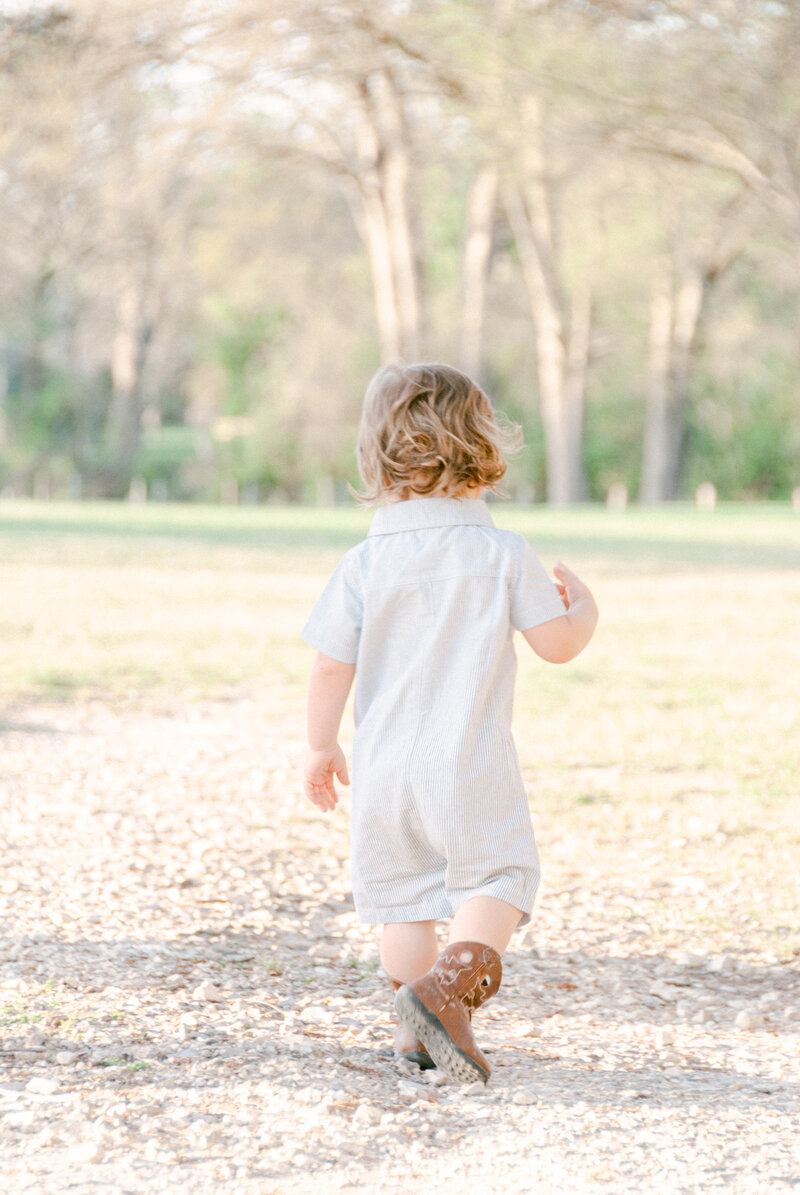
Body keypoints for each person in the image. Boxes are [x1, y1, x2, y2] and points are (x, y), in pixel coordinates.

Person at [301, 362, 598, 1083]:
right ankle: (446, 991)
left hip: (383, 770)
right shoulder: (500, 553)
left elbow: (330, 664)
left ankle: (414, 1032)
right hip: (468, 762)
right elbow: (556, 644)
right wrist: (584, 610)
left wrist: (319, 744)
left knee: (403, 899)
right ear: (483, 448)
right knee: (497, 874)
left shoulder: (365, 561)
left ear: (378, 455)